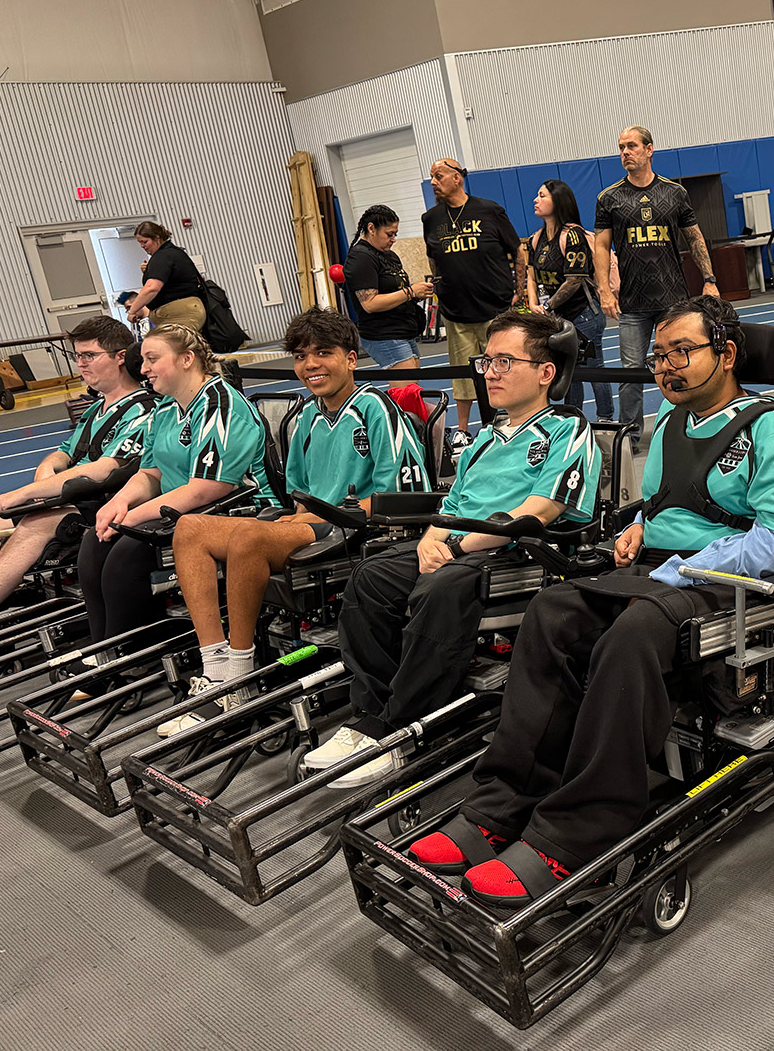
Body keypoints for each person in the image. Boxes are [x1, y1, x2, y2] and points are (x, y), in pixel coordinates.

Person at [405, 297, 774, 905]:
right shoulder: (668, 425)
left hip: (745, 589)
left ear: (728, 354)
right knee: (552, 613)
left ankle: (581, 834)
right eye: (659, 354)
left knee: (632, 633)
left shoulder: (771, 427)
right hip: (666, 572)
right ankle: (500, 805)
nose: (666, 366)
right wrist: (636, 527)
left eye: (682, 351)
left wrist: (688, 567)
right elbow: (661, 507)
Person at [307, 310, 600, 789]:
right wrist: (430, 539)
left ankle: (408, 726)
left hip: (521, 552)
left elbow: (538, 511)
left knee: (441, 588)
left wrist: (457, 543)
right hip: (461, 543)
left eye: (505, 361)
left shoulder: (568, 430)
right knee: (371, 576)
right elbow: (453, 501)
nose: (491, 373)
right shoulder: (484, 437)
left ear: (546, 373)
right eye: (488, 361)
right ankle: (372, 715)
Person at [162, 309, 429, 734]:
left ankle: (239, 678)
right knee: (189, 528)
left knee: (249, 536)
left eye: (324, 353)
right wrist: (294, 517)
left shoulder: (377, 408)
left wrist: (318, 515)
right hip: (312, 523)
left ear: (352, 359)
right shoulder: (303, 417)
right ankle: (214, 668)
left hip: (357, 528)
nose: (311, 365)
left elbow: (405, 497)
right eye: (302, 356)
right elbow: (298, 492)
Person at [80, 326, 279, 646]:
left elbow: (208, 488)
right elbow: (151, 473)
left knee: (127, 553)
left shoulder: (219, 403)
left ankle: (126, 654)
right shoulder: (166, 407)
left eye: (152, 359)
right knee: (94, 541)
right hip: (178, 510)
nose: (142, 369)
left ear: (187, 359)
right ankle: (101, 646)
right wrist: (119, 504)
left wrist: (133, 518)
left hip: (236, 510)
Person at [0, 316, 155, 613]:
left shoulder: (143, 409)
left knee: (36, 523)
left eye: (89, 355)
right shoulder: (95, 410)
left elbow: (106, 469)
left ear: (120, 357)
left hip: (103, 502)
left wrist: (28, 492)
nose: (81, 363)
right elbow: (63, 454)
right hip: (71, 496)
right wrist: (44, 473)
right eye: (78, 356)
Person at [593, 125, 721, 449]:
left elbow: (694, 237)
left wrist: (709, 280)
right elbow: (601, 246)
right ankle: (630, 437)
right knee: (631, 375)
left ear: (649, 149)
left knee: (682, 365)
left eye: (632, 146)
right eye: (621, 147)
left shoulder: (674, 193)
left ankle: (686, 427)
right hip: (632, 304)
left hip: (673, 302)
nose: (625, 152)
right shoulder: (608, 198)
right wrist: (604, 290)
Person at [422, 158, 521, 456]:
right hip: (457, 311)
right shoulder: (431, 219)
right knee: (464, 375)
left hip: (496, 309)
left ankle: (513, 421)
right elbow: (433, 257)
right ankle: (464, 431)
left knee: (505, 369)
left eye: (438, 176)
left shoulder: (489, 210)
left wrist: (519, 290)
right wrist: (441, 285)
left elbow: (517, 250)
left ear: (457, 178)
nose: (433, 182)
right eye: (431, 178)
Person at [521, 179, 614, 422]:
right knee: (568, 373)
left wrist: (548, 305)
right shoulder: (536, 239)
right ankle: (575, 420)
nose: (536, 200)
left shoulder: (573, 236)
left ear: (558, 200)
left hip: (583, 315)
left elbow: (573, 280)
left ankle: (605, 419)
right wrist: (533, 304)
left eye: (542, 196)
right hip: (557, 318)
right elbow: (531, 274)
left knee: (594, 369)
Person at [343, 204, 432, 384]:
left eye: (395, 234)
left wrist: (415, 294)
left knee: (413, 390)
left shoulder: (389, 256)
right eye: (389, 234)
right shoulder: (361, 257)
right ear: (371, 229)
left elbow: (396, 291)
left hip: (403, 330)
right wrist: (410, 292)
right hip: (384, 334)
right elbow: (370, 303)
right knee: (407, 393)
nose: (393, 239)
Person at [126, 222, 206, 333]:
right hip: (187, 309)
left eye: (145, 242)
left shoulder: (162, 256)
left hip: (180, 312)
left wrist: (133, 311)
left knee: (177, 347)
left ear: (157, 238)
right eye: (140, 243)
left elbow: (152, 288)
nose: (142, 246)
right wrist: (149, 271)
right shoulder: (173, 253)